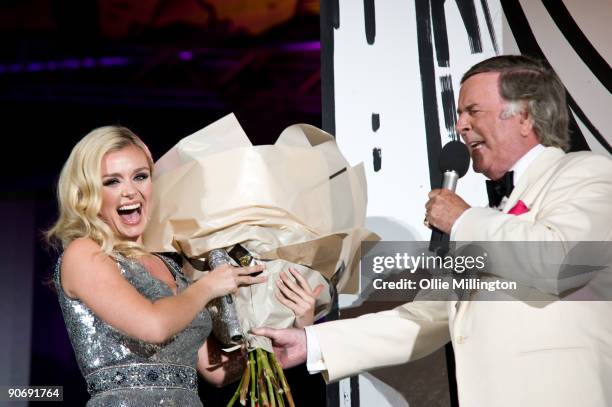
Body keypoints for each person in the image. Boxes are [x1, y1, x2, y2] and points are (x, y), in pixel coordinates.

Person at [253, 55, 612, 406]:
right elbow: (423, 318)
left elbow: (563, 261)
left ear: (524, 116)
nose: (460, 125)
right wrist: (311, 343)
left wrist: (462, 219)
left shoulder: (587, 172)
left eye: (473, 111)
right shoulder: (491, 218)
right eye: (459, 114)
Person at [46, 126, 268, 406]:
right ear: (87, 192)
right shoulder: (84, 254)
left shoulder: (171, 265)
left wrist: (284, 328)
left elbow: (217, 372)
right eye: (112, 181)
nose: (130, 192)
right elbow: (153, 326)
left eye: (140, 176)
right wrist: (208, 286)